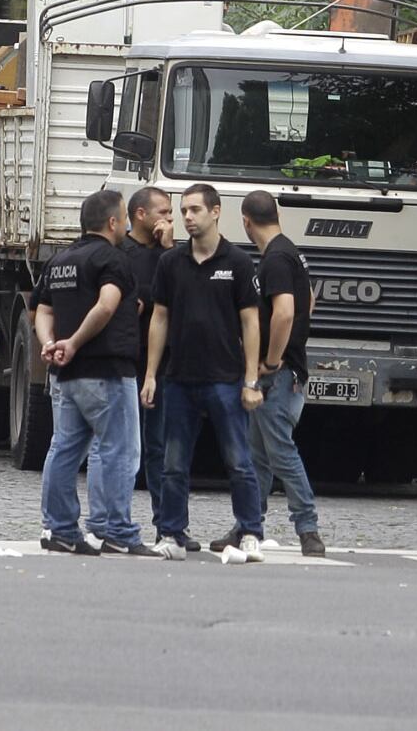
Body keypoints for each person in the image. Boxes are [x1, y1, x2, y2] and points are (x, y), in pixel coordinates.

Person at [143, 182, 265, 560]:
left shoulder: (238, 263)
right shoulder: (171, 263)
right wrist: (150, 374)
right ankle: (171, 532)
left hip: (225, 379)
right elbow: (159, 318)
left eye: (194, 210)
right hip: (179, 378)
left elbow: (251, 323)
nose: (187, 218)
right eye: (183, 211)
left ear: (215, 212)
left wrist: (251, 380)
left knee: (239, 462)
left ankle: (249, 531)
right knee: (173, 463)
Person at [34, 188, 143, 555]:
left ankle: (60, 529)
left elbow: (43, 311)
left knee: (64, 448)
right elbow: (107, 304)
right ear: (113, 222)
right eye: (125, 218)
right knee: (119, 451)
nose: (127, 224)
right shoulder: (113, 259)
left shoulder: (61, 259)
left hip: (67, 374)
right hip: (107, 369)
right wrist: (77, 342)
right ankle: (117, 531)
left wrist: (51, 343)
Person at [240, 189, 325, 557]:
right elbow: (310, 299)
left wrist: (272, 361)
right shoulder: (292, 251)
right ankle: (249, 526)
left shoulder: (274, 258)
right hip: (288, 367)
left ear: (246, 222)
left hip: (279, 371)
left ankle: (307, 528)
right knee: (258, 453)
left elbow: (286, 311)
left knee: (279, 453)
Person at [122, 185, 174, 512]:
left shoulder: (171, 255)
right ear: (141, 215)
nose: (171, 219)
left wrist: (169, 248)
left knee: (159, 445)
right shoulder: (120, 253)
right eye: (164, 212)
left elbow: (185, 293)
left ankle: (165, 520)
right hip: (126, 361)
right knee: (124, 445)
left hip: (163, 363)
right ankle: (116, 516)